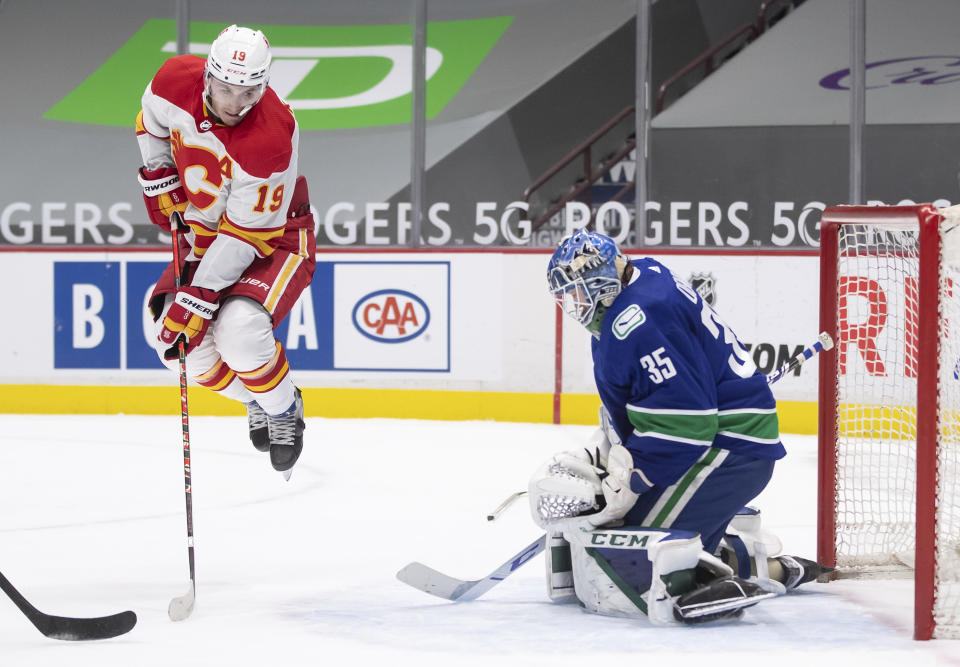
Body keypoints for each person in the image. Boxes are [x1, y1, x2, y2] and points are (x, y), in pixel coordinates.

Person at [527, 229, 829, 624]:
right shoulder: (641, 275)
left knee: (627, 559)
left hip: (728, 450)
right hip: (719, 441)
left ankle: (738, 563)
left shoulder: (638, 321)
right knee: (620, 540)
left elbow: (689, 424)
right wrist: (616, 445)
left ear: (601, 278)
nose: (575, 305)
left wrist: (637, 475)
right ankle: (763, 564)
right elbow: (657, 394)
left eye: (579, 291)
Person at [134, 24, 316, 480]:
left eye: (249, 91)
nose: (235, 103)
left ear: (264, 84)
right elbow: (150, 121)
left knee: (237, 330)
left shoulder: (271, 137)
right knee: (177, 348)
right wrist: (160, 175)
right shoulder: (174, 79)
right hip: (206, 234)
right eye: (226, 88)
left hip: (272, 237)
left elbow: (245, 238)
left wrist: (196, 299)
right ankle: (256, 399)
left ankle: (282, 407)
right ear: (208, 76)